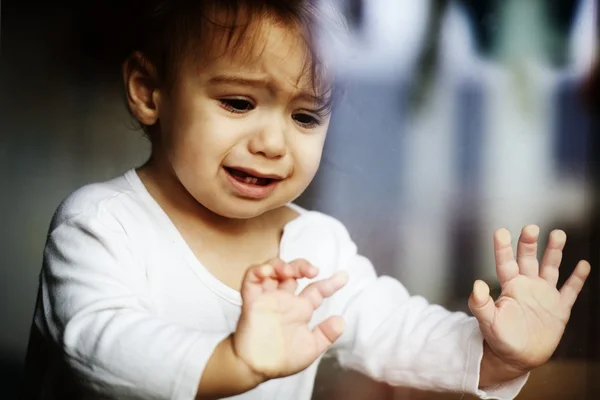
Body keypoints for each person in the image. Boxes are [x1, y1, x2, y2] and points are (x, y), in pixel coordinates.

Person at [21, 1, 591, 399]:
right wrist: (234, 360)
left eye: (304, 115)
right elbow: (99, 347)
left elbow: (394, 329)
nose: (272, 142)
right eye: (238, 103)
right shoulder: (101, 224)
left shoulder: (316, 245)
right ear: (150, 92)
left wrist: (497, 356)